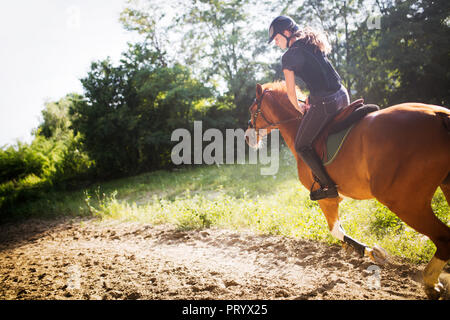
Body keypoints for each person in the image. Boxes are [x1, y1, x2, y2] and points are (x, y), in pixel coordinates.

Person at [268, 15, 350, 200]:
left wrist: (300, 108)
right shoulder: (312, 42)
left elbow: (291, 94)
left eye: (276, 38)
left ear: (287, 33)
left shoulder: (289, 55)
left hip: (326, 103)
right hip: (343, 95)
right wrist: (309, 101)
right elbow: (321, 76)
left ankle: (328, 186)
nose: (276, 42)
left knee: (301, 145)